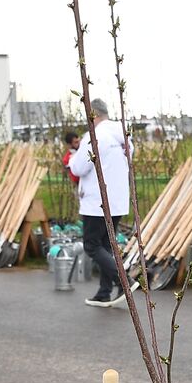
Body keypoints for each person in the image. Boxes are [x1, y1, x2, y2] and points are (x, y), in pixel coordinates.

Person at [67, 99, 130, 308]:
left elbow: (78, 168)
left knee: (92, 245)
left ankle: (124, 282)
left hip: (98, 202)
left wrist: (71, 160)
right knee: (104, 245)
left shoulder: (94, 137)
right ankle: (104, 292)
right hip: (118, 200)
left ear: (92, 115)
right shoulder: (123, 135)